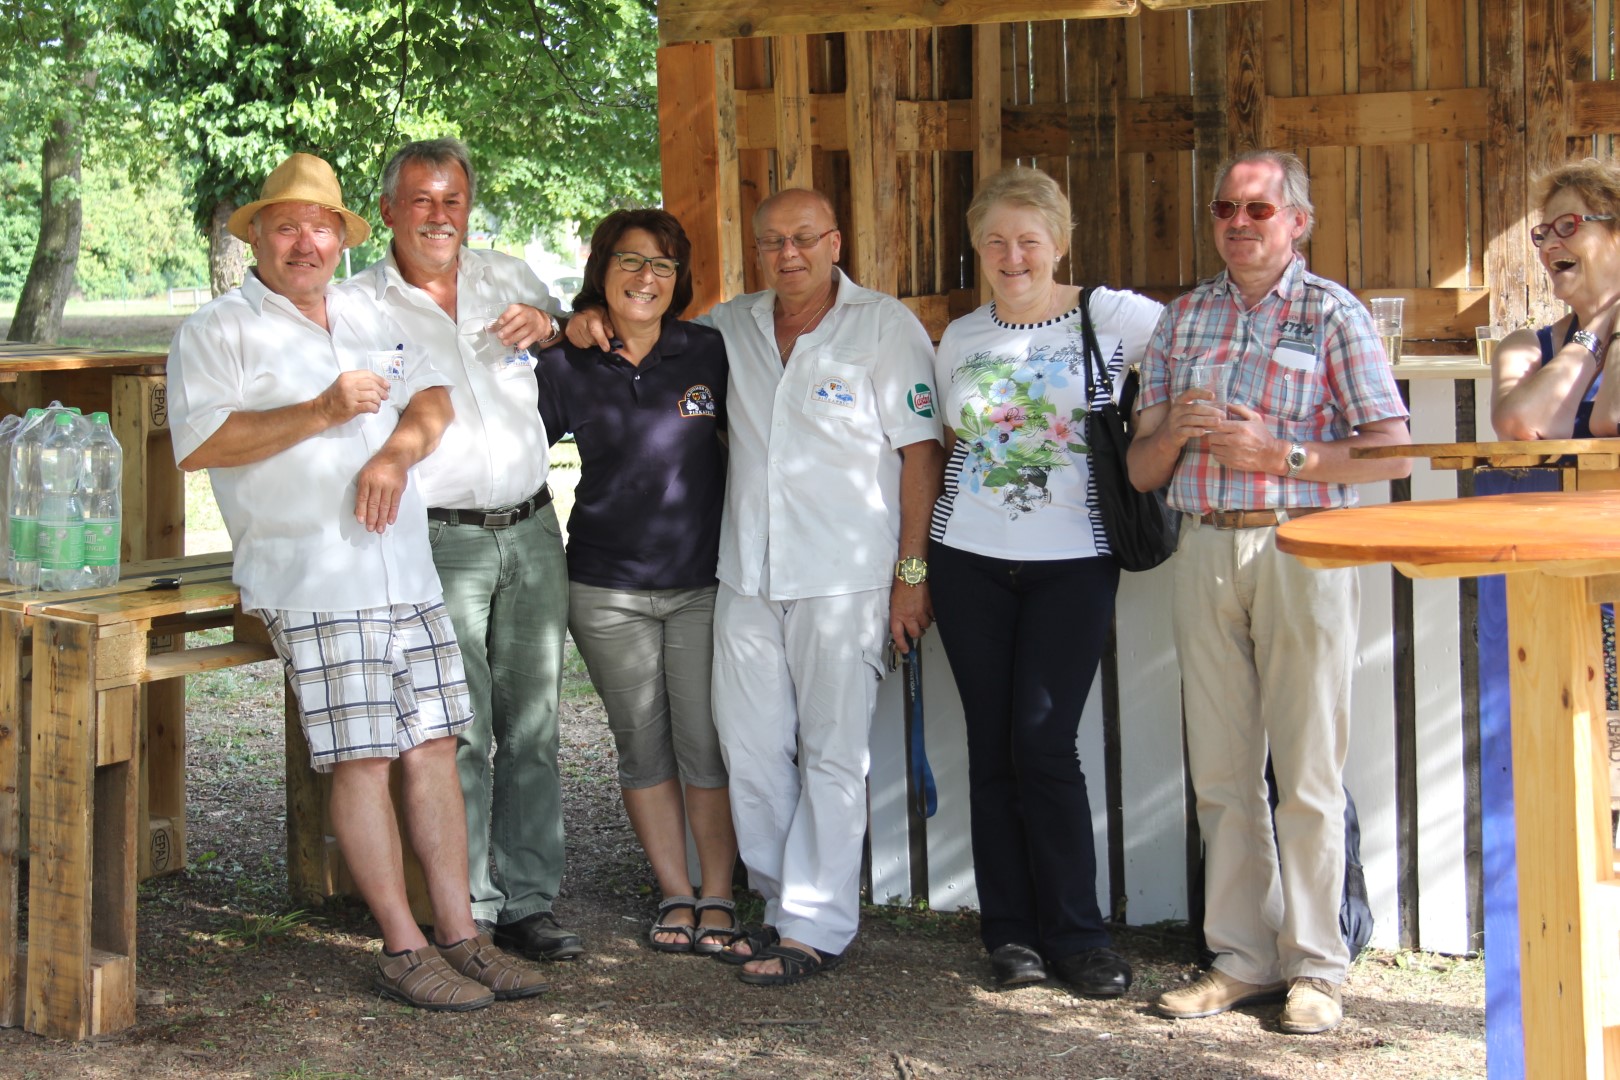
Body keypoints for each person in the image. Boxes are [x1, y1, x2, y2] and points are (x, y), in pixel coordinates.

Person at [167, 152, 546, 1009]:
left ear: (343, 237)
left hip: (403, 565)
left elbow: (436, 398)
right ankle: (404, 947)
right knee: (366, 758)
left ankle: (463, 937)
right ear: (257, 235)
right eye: (287, 226)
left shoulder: (369, 313)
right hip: (314, 574)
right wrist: (323, 411)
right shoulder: (218, 329)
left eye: (321, 227)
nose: (305, 242)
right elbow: (198, 445)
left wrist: (391, 453)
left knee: (436, 748)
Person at [569, 188, 944, 985]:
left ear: (836, 241)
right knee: (750, 750)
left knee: (833, 755)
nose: (789, 255)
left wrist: (911, 575)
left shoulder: (884, 326)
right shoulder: (727, 329)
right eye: (772, 241)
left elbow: (921, 454)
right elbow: (640, 331)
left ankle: (817, 926)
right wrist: (579, 320)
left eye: (804, 238)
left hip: (845, 579)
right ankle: (777, 907)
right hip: (743, 573)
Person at [1125, 149, 1411, 1034]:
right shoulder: (1182, 319)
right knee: (1221, 773)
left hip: (1303, 550)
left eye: (1259, 209)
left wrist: (1280, 455)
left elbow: (1393, 450)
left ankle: (1319, 968)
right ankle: (1242, 959)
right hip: (1206, 550)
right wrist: (1174, 427)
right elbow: (1140, 470)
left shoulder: (1334, 314)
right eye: (1225, 209)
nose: (1239, 223)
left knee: (1309, 773)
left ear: (1298, 222)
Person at [929, 166, 1163, 994]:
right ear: (977, 248)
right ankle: (1012, 935)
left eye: (1029, 239)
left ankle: (1079, 935)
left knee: (1044, 743)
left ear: (1060, 243)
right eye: (995, 240)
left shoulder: (1114, 315)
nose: (1012, 254)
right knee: (992, 747)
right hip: (967, 559)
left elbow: (1191, 352)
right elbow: (952, 446)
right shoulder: (960, 337)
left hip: (1075, 558)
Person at [348, 138, 582, 962]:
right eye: (420, 199)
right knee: (461, 728)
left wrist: (550, 325)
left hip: (530, 523)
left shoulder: (507, 276)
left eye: (452, 200)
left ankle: (530, 900)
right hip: (438, 536)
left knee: (537, 723)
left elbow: (578, 334)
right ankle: (470, 908)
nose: (438, 216)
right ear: (387, 211)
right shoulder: (359, 305)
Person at [532, 209, 738, 954]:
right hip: (605, 587)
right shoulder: (566, 364)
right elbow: (513, 446)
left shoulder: (708, 351)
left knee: (706, 743)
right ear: (601, 269)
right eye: (629, 261)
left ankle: (719, 892)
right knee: (641, 747)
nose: (645, 278)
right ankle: (675, 894)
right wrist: (565, 325)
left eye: (662, 265)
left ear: (679, 280)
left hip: (702, 585)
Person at [1493, 157, 1620, 439]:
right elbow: (1519, 426)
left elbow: (1612, 419)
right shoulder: (1527, 348)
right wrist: (1601, 325)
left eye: (1567, 226)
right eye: (1544, 233)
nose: (1548, 246)